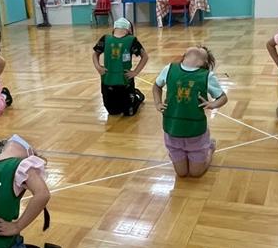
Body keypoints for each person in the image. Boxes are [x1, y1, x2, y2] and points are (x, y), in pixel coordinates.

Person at [152, 45, 227, 177]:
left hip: (196, 133)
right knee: (181, 173)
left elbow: (223, 97)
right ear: (184, 56)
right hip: (173, 131)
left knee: (195, 173)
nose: (198, 48)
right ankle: (182, 155)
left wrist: (212, 104)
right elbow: (156, 86)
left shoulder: (207, 76)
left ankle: (209, 148)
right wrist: (158, 102)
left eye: (202, 50)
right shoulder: (169, 68)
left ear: (204, 62)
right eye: (197, 47)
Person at [93, 17, 148, 116]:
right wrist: (98, 67)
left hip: (125, 81)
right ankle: (130, 96)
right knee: (113, 112)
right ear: (129, 30)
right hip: (108, 81)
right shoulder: (105, 39)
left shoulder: (132, 40)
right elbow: (95, 53)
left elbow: (144, 56)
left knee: (129, 113)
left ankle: (136, 97)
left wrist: (135, 72)